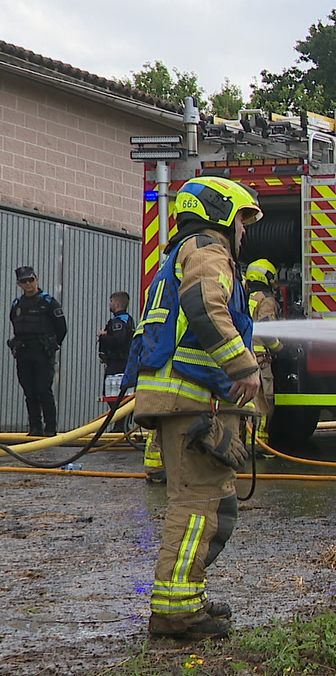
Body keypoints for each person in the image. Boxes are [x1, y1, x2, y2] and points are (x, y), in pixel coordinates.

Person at [123, 176, 262, 640]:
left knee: (216, 504)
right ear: (221, 214)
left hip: (184, 399)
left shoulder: (179, 254)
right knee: (199, 504)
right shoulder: (208, 251)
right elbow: (204, 305)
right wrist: (243, 368)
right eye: (242, 221)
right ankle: (176, 611)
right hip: (191, 401)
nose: (244, 233)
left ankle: (188, 595)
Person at [8, 266, 67, 436]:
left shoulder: (49, 302)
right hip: (24, 352)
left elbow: (61, 328)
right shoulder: (17, 304)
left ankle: (50, 429)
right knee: (29, 390)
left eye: (31, 280)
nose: (29, 284)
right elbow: (15, 324)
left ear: (37, 279)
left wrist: (51, 344)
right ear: (19, 283)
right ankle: (35, 427)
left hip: (42, 352)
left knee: (43, 389)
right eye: (24, 281)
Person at [244, 259, 282, 448]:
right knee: (264, 401)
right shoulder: (266, 299)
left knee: (246, 402)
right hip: (260, 360)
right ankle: (260, 445)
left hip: (242, 358)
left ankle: (244, 443)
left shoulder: (243, 296)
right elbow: (266, 328)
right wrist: (279, 348)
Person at [98, 291, 134, 432]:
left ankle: (120, 428)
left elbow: (118, 340)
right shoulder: (127, 320)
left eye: (111, 302)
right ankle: (120, 426)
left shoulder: (119, 321)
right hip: (122, 365)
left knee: (115, 397)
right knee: (120, 397)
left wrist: (103, 336)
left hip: (118, 366)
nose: (110, 304)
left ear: (117, 303)